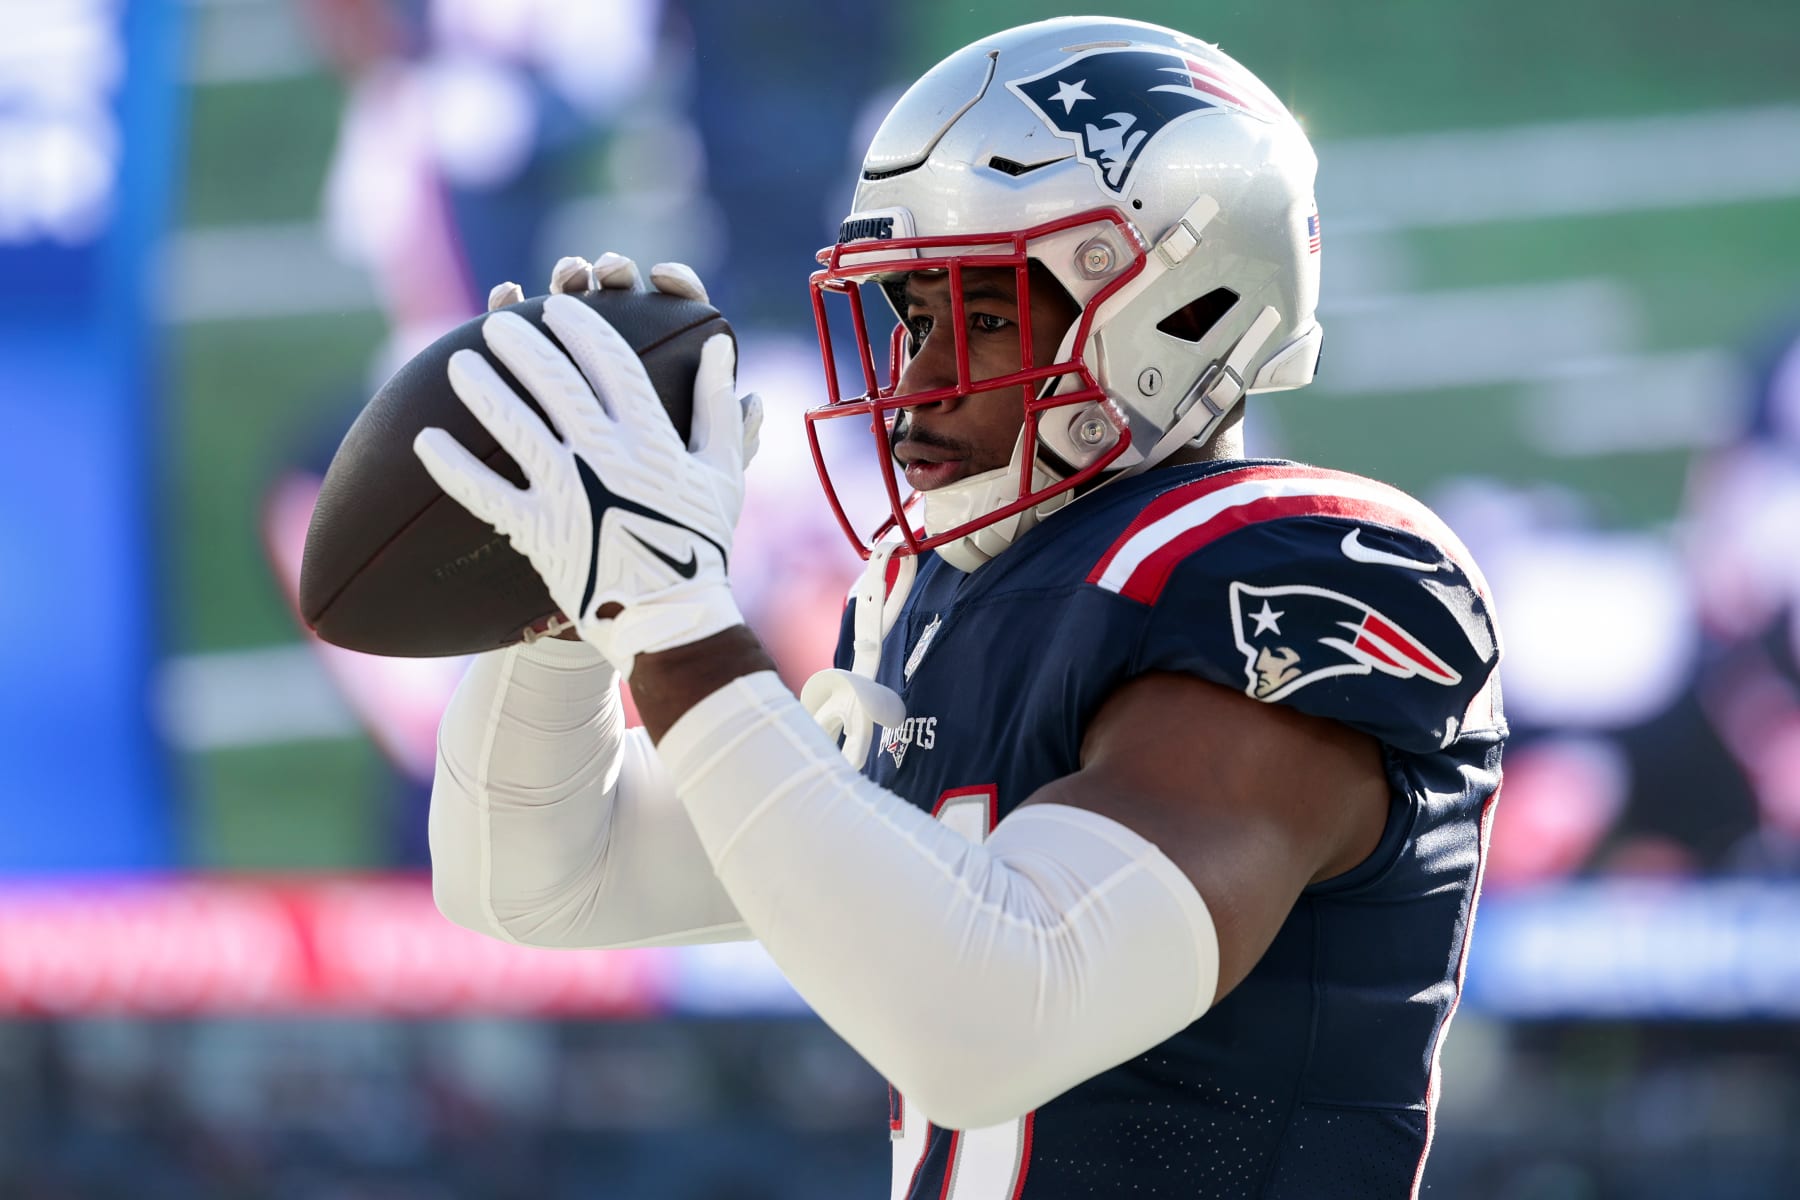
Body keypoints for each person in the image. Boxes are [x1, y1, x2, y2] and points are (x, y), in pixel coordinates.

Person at [414, 16, 1506, 1198]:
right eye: (915, 319)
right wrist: (576, 600)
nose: (917, 385)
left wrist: (672, 614)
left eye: (984, 318)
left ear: (1176, 305)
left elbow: (993, 1025)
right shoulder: (936, 598)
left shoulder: (1306, 569)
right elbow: (534, 877)